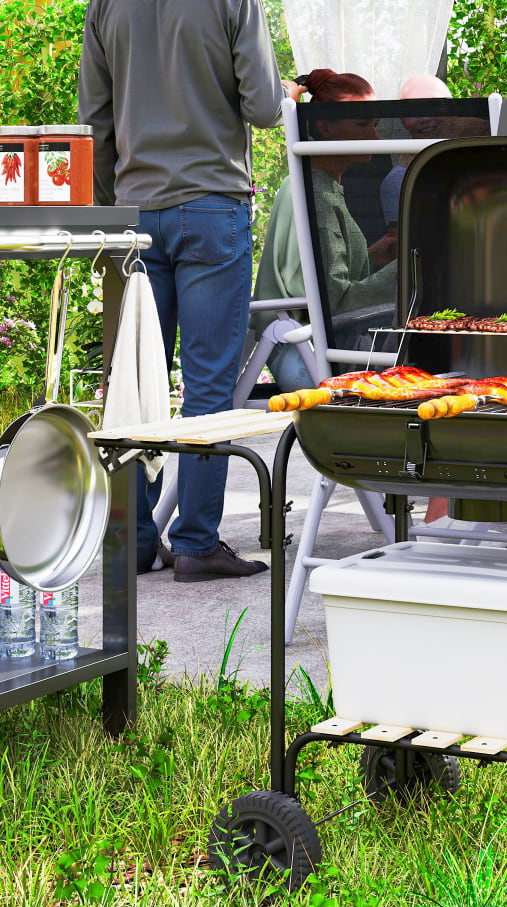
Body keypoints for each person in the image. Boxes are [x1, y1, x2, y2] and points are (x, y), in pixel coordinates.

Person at [79, 0, 296, 581]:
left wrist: (117, 206)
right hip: (210, 206)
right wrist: (286, 91)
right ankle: (197, 542)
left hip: (132, 216)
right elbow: (264, 106)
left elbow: (93, 121)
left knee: (132, 380)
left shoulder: (104, 5)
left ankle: (134, 542)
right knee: (208, 386)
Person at [252, 69, 398, 390]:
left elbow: (321, 278)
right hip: (303, 352)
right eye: (362, 125)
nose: (374, 137)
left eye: (375, 126)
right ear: (324, 125)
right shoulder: (314, 191)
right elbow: (337, 304)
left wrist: (375, 257)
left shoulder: (321, 185)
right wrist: (409, 268)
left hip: (311, 343)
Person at [379, 74, 453, 231]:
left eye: (434, 107)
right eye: (415, 110)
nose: (425, 118)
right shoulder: (398, 180)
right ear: (402, 120)